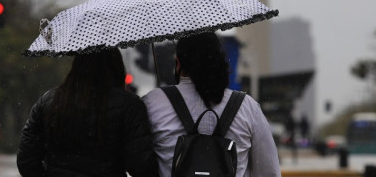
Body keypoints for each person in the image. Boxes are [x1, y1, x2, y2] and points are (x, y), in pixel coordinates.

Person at [142, 32, 281, 177]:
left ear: (178, 64)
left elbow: (140, 163)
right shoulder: (247, 107)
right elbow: (268, 172)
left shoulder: (152, 103)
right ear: (218, 62)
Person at [17, 48, 158, 177]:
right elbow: (141, 166)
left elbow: (26, 161)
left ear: (76, 66)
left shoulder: (49, 101)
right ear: (116, 66)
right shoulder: (129, 105)